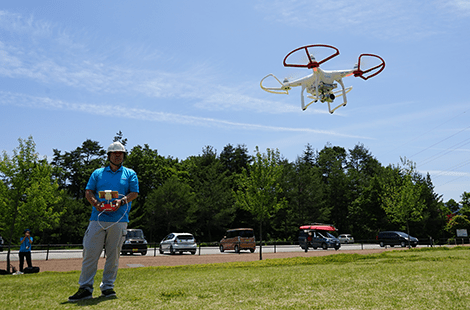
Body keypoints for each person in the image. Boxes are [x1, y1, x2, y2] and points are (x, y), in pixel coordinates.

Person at [69, 142, 139, 302]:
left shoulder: (130, 174)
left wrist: (121, 202)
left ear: (123, 156)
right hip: (97, 219)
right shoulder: (98, 173)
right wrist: (96, 204)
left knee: (113, 256)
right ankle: (85, 288)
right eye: (114, 153)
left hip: (119, 220)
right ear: (108, 156)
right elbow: (88, 192)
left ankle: (107, 288)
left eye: (120, 153)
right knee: (90, 254)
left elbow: (134, 193)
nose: (117, 155)